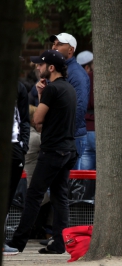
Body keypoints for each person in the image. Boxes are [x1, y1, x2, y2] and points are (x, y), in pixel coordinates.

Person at [7, 50, 77, 254]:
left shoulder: (52, 90)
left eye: (41, 65)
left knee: (34, 195)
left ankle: (18, 242)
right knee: (60, 196)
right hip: (68, 150)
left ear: (51, 68)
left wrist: (41, 97)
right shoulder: (69, 88)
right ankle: (59, 243)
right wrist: (40, 95)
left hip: (53, 150)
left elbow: (36, 119)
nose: (37, 68)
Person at [50, 33, 89, 169]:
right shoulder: (57, 70)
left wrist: (66, 134)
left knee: (68, 183)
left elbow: (80, 106)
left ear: (70, 50)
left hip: (70, 137)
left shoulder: (76, 74)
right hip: (60, 136)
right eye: (54, 44)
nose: (54, 47)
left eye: (59, 44)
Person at [4, 80, 31, 256]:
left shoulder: (18, 87)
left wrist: (23, 146)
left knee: (8, 195)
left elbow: (24, 118)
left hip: (14, 146)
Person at [76, 50, 95, 170]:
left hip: (84, 129)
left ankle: (82, 190)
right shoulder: (93, 78)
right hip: (97, 128)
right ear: (88, 66)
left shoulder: (77, 80)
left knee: (84, 173)